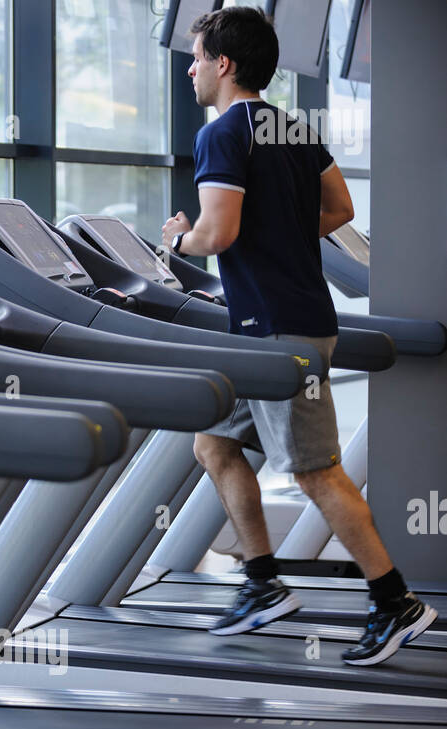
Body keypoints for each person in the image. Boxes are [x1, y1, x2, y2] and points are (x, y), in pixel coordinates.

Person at [161, 5, 436, 666]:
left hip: (277, 331)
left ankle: (394, 601)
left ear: (223, 64)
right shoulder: (291, 126)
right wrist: (279, 230)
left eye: (197, 57)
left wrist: (178, 239)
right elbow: (339, 209)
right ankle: (260, 583)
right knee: (214, 443)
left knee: (315, 472)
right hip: (281, 321)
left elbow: (218, 233)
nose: (191, 69)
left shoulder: (221, 133)